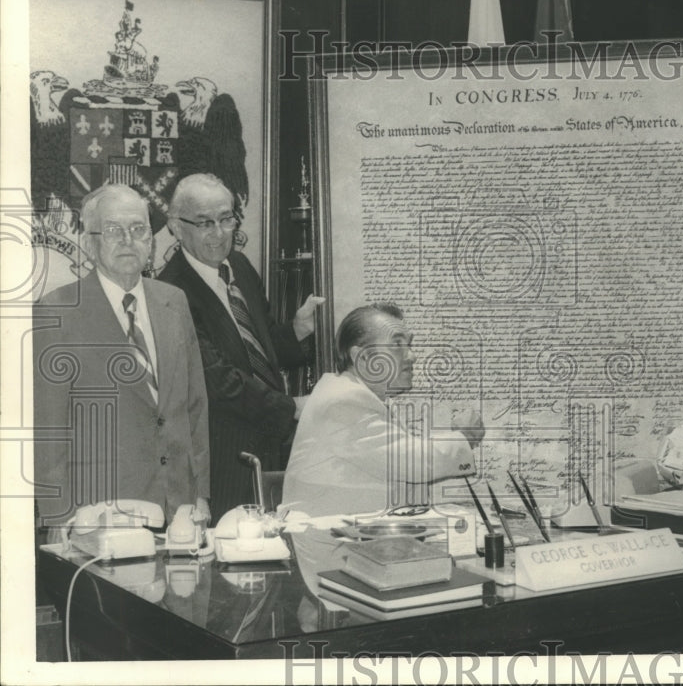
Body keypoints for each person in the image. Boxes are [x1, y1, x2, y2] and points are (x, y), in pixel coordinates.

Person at [33, 184, 210, 528]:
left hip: (179, 510)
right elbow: (47, 430)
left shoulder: (174, 301)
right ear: (89, 242)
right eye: (113, 230)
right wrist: (60, 521)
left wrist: (200, 494)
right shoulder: (57, 311)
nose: (128, 240)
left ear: (152, 240)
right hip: (98, 516)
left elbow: (195, 407)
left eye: (139, 229)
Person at [158, 173, 324, 521]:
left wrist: (296, 330)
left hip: (273, 449)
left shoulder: (241, 267)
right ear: (176, 226)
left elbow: (256, 350)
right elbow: (217, 381)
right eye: (204, 223)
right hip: (226, 459)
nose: (219, 234)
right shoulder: (170, 293)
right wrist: (291, 407)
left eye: (226, 218)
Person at [282, 303, 484, 517]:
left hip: (362, 536)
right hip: (335, 544)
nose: (412, 356)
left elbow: (399, 458)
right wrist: (463, 437)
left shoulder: (364, 397)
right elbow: (409, 462)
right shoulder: (342, 400)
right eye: (397, 345)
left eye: (409, 345)